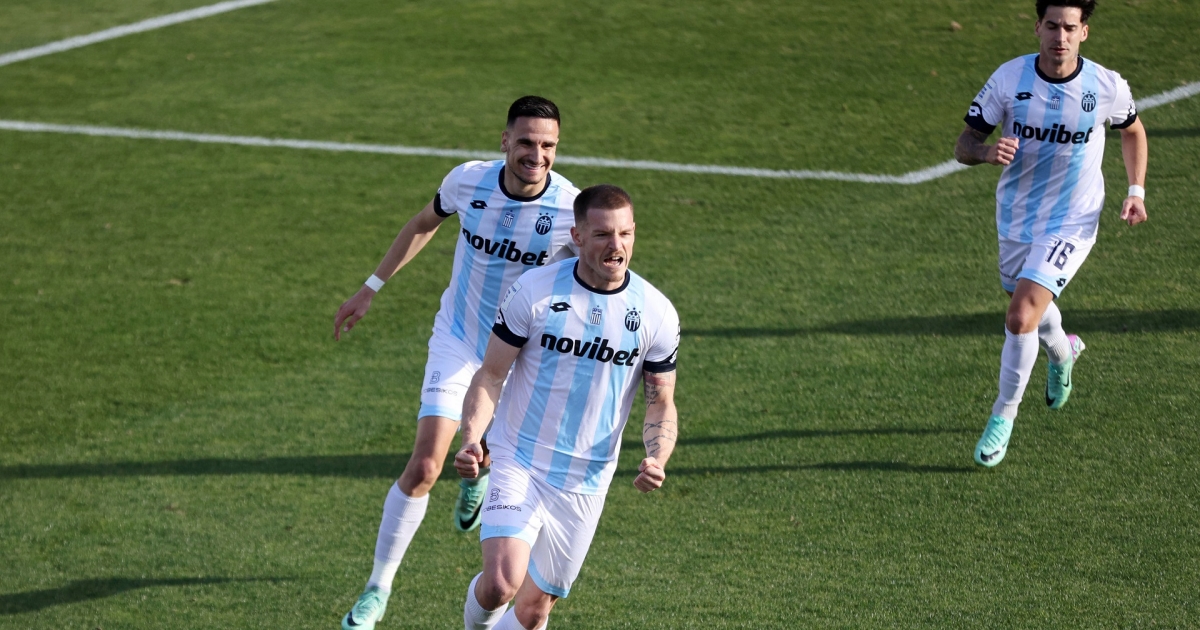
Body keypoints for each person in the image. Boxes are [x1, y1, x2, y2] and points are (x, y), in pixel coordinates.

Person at [333, 96, 580, 630]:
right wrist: (371, 287)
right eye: (526, 142)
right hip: (461, 339)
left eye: (548, 145)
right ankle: (377, 589)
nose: (536, 155)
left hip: (518, 358)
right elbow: (423, 222)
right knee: (426, 465)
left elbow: (593, 287)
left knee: (479, 455)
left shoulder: (571, 211)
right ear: (505, 141)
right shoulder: (468, 181)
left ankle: (476, 477)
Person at [454, 184, 680, 630]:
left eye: (625, 234)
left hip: (586, 477)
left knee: (534, 612)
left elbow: (661, 402)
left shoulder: (656, 313)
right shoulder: (534, 291)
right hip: (520, 456)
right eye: (602, 235)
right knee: (500, 583)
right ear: (577, 236)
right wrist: (471, 439)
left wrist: (658, 457)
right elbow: (491, 375)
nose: (616, 246)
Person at [954, 0, 1148, 467]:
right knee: (1026, 304)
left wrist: (1135, 190)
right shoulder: (1009, 79)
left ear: (1085, 33)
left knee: (1021, 316)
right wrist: (986, 153)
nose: (1061, 37)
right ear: (1038, 27)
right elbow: (964, 144)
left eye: (1071, 28)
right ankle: (1063, 350)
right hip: (1016, 215)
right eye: (1053, 26)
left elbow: (1133, 131)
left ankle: (1003, 417)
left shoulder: (1105, 85)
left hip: (1073, 219)